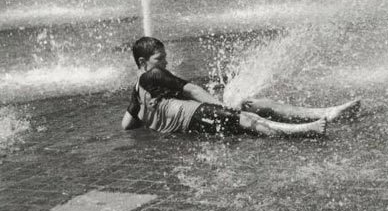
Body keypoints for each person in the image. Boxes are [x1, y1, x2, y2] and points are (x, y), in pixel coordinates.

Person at [121, 36, 361, 138]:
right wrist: (223, 106)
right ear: (143, 62)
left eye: (164, 57)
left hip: (197, 116)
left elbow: (127, 124)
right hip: (194, 119)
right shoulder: (152, 76)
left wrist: (150, 119)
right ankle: (304, 130)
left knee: (255, 104)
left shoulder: (139, 88)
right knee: (245, 117)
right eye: (159, 58)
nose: (165, 62)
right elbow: (192, 90)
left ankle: (325, 112)